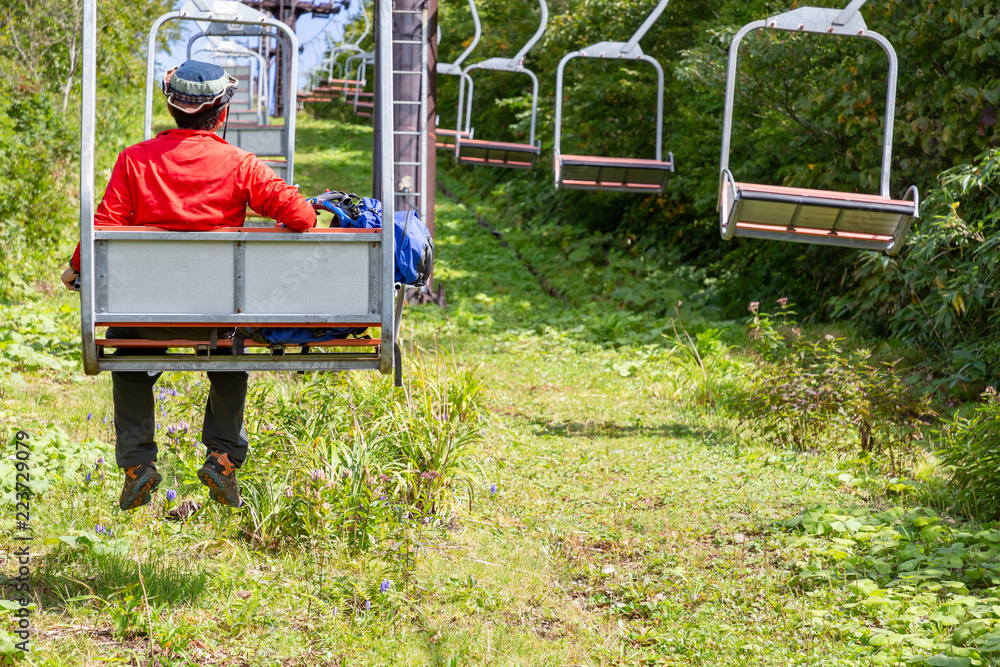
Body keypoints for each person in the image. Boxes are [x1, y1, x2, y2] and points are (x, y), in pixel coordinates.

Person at [60, 61, 316, 512]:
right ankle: (222, 455)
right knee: (233, 348)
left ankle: (138, 464)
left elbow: (102, 228)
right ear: (220, 113)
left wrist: (73, 268)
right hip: (214, 321)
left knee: (126, 353)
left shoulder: (135, 161)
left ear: (173, 108)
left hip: (142, 321)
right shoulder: (241, 165)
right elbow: (302, 217)